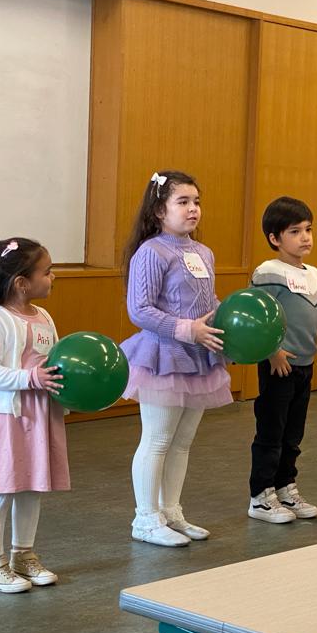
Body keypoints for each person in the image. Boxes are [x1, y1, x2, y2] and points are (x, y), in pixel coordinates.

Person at [121, 171, 232, 547]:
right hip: (163, 357)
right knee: (158, 439)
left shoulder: (203, 253)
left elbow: (207, 301)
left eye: (196, 201)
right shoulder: (151, 253)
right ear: (158, 210)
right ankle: (145, 518)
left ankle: (171, 511)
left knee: (182, 442)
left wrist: (223, 318)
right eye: (182, 202)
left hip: (198, 357)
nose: (193, 209)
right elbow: (140, 309)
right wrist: (186, 329)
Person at [0, 238, 67, 593]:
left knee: (32, 486)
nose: (53, 278)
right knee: (1, 488)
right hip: (7, 415)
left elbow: (56, 360)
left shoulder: (44, 316)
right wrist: (29, 378)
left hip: (39, 414)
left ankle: (23, 555)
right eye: (46, 272)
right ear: (21, 282)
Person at [247, 197, 317, 523]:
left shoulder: (314, 274)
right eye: (295, 231)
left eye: (308, 229)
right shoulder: (268, 273)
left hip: (305, 366)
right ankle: (261, 496)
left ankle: (285, 487)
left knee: (293, 435)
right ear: (274, 238)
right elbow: (255, 316)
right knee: (271, 431)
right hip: (278, 366)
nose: (306, 237)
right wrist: (273, 351)